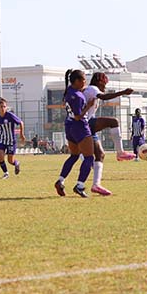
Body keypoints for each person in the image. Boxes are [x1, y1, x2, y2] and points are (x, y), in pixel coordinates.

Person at [83, 72, 136, 196]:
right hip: (84, 124)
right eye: (104, 83)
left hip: (87, 123)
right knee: (114, 122)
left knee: (100, 154)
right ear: (98, 81)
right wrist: (123, 92)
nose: (105, 86)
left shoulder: (91, 90)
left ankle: (96, 185)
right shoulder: (93, 89)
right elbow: (104, 97)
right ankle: (120, 153)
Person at [53, 69, 95, 198]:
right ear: (77, 81)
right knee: (89, 157)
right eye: (83, 80)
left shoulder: (69, 91)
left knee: (74, 156)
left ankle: (60, 180)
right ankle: (80, 186)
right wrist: (89, 106)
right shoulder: (77, 96)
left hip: (69, 126)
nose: (85, 82)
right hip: (80, 126)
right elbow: (78, 116)